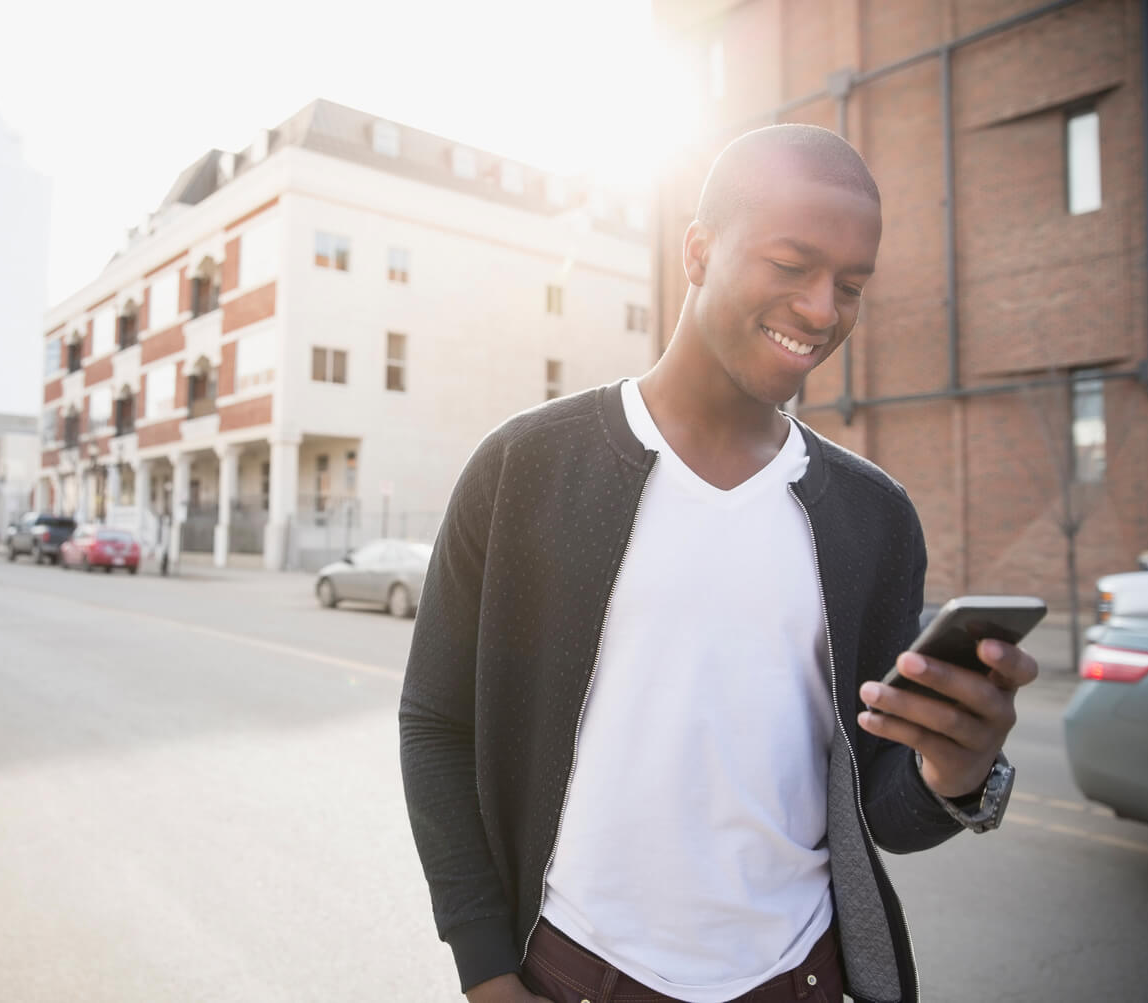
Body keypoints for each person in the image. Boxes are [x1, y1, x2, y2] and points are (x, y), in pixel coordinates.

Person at [398, 124, 1037, 1003]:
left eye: (851, 285)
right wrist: (485, 969)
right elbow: (435, 724)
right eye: (791, 264)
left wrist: (953, 775)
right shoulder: (525, 469)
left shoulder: (874, 519)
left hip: (802, 978)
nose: (823, 309)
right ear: (697, 250)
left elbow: (884, 811)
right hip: (575, 973)